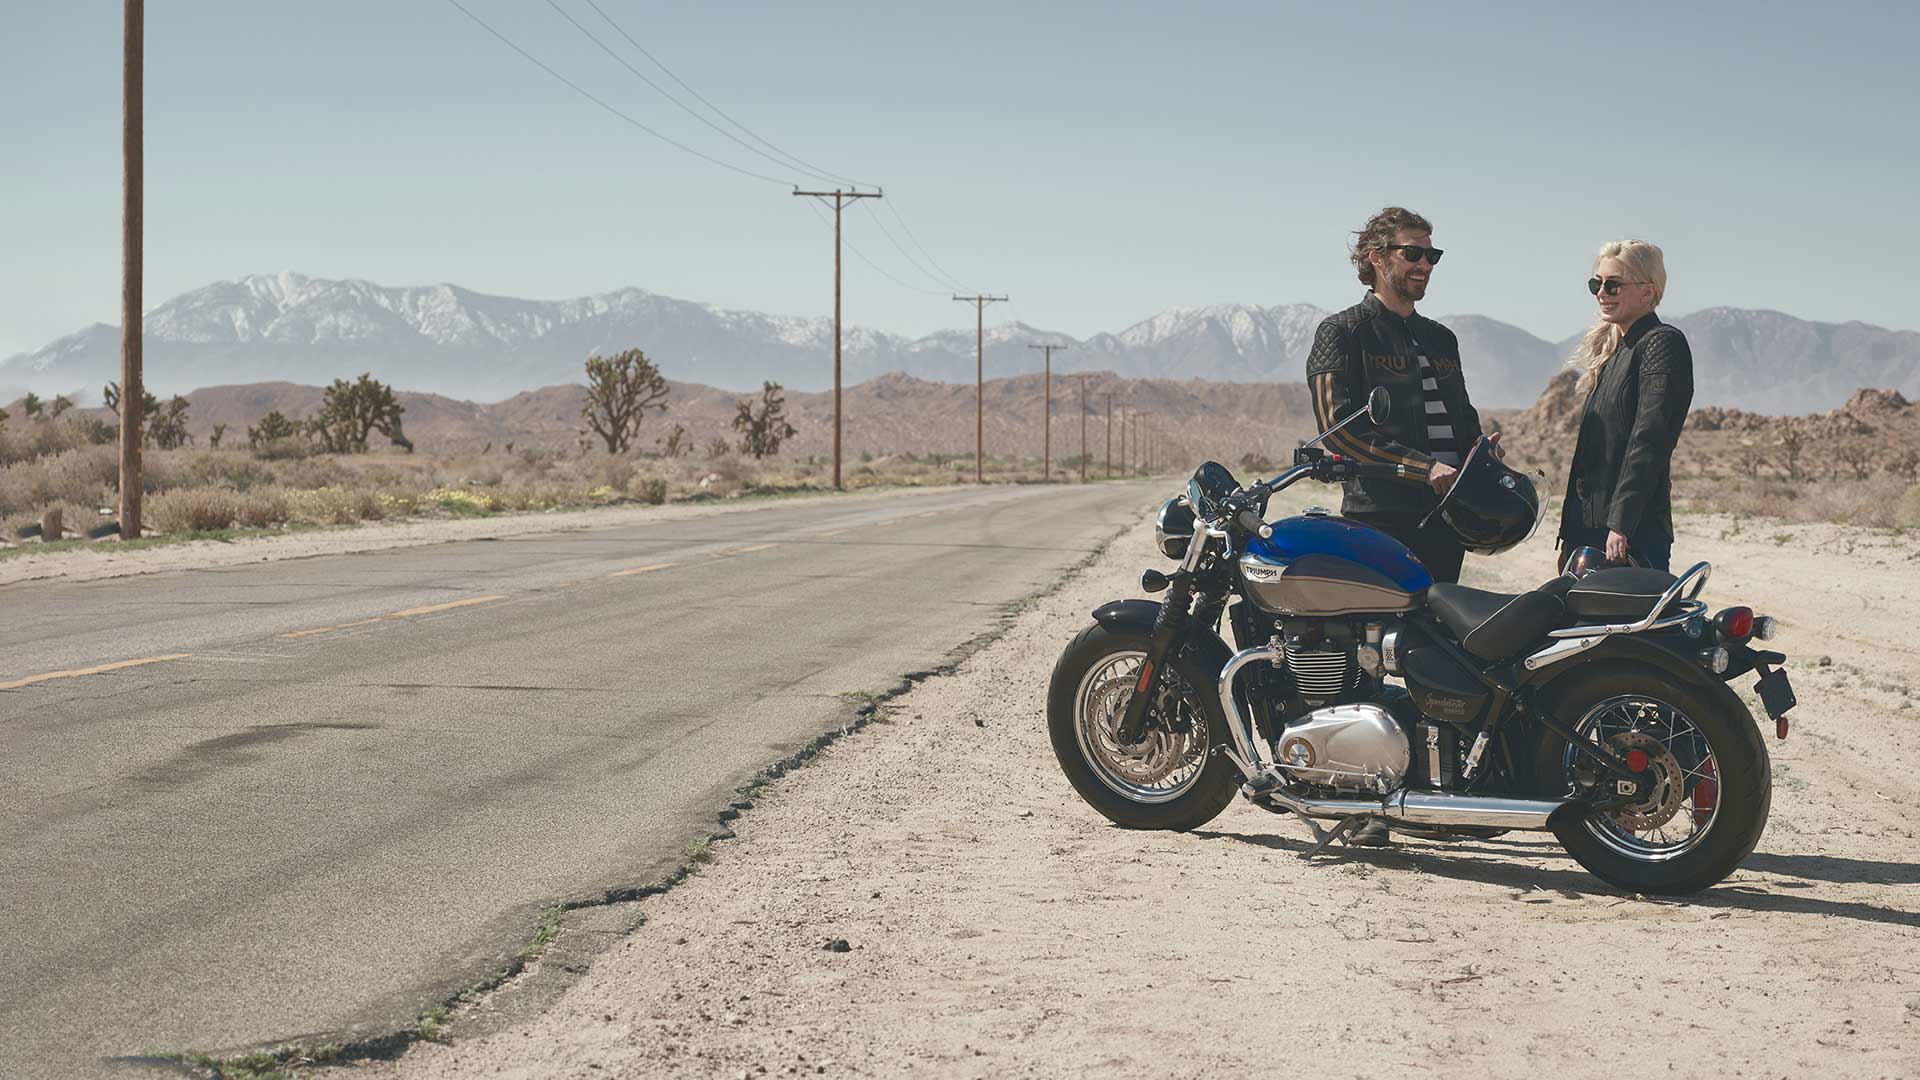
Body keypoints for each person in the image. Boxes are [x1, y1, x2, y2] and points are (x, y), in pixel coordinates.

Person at [1306, 206, 1490, 586]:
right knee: (1381, 634)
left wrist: (1481, 450)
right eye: (1412, 253)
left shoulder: (1441, 338)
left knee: (1440, 635)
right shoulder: (1342, 333)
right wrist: (1425, 467)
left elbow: (1462, 418)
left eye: (1432, 255)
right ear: (1376, 257)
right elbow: (1338, 431)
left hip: (1446, 518)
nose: (1425, 264)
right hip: (1380, 517)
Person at [1556, 240, 1693, 573]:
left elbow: (1650, 440)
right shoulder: (1616, 353)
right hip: (1590, 531)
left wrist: (1621, 524)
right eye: (1596, 284)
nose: (1602, 292)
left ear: (1648, 292)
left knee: (1631, 626)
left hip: (1630, 534)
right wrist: (1568, 535)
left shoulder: (1661, 344)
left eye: (1613, 284)